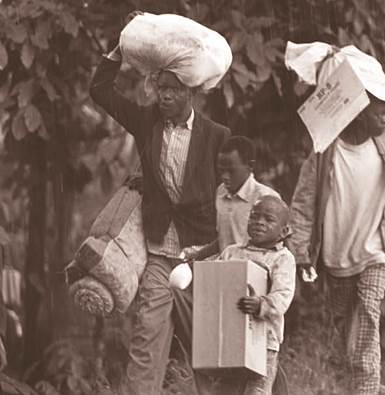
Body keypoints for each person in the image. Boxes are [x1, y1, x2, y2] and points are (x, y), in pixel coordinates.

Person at [89, 11, 230, 394]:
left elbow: (233, 191)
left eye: (174, 89)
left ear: (191, 93)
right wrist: (120, 49)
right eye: (161, 88)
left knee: (210, 351)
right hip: (158, 255)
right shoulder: (146, 121)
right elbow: (99, 90)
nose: (165, 95)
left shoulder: (218, 137)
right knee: (147, 344)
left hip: (203, 259)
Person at [289, 98, 385, 395]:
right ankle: (365, 385)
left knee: (367, 318)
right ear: (355, 111)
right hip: (335, 258)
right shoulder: (324, 151)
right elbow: (303, 204)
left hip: (377, 252)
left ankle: (366, 389)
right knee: (346, 332)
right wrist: (301, 253)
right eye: (378, 109)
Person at [214, 195, 297, 395]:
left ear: (284, 231)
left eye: (268, 219)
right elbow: (214, 281)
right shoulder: (232, 252)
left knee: (257, 389)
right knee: (225, 388)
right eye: (254, 216)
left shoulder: (282, 259)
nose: (259, 222)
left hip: (264, 340)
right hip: (230, 337)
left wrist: (262, 304)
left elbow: (283, 294)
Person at [181, 135, 281, 260]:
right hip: (225, 271)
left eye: (231, 171)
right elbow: (224, 239)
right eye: (221, 171)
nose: (225, 176)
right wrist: (198, 255)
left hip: (255, 271)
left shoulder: (266, 198)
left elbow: (282, 241)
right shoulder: (221, 192)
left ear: (250, 166)